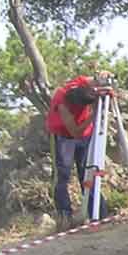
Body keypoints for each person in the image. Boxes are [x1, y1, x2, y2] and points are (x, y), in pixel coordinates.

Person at [45, 72, 112, 230]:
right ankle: (65, 216)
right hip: (64, 136)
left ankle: (98, 213)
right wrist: (93, 116)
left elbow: (96, 78)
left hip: (86, 134)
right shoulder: (62, 102)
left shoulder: (83, 84)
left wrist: (103, 77)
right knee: (62, 174)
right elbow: (75, 132)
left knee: (88, 172)